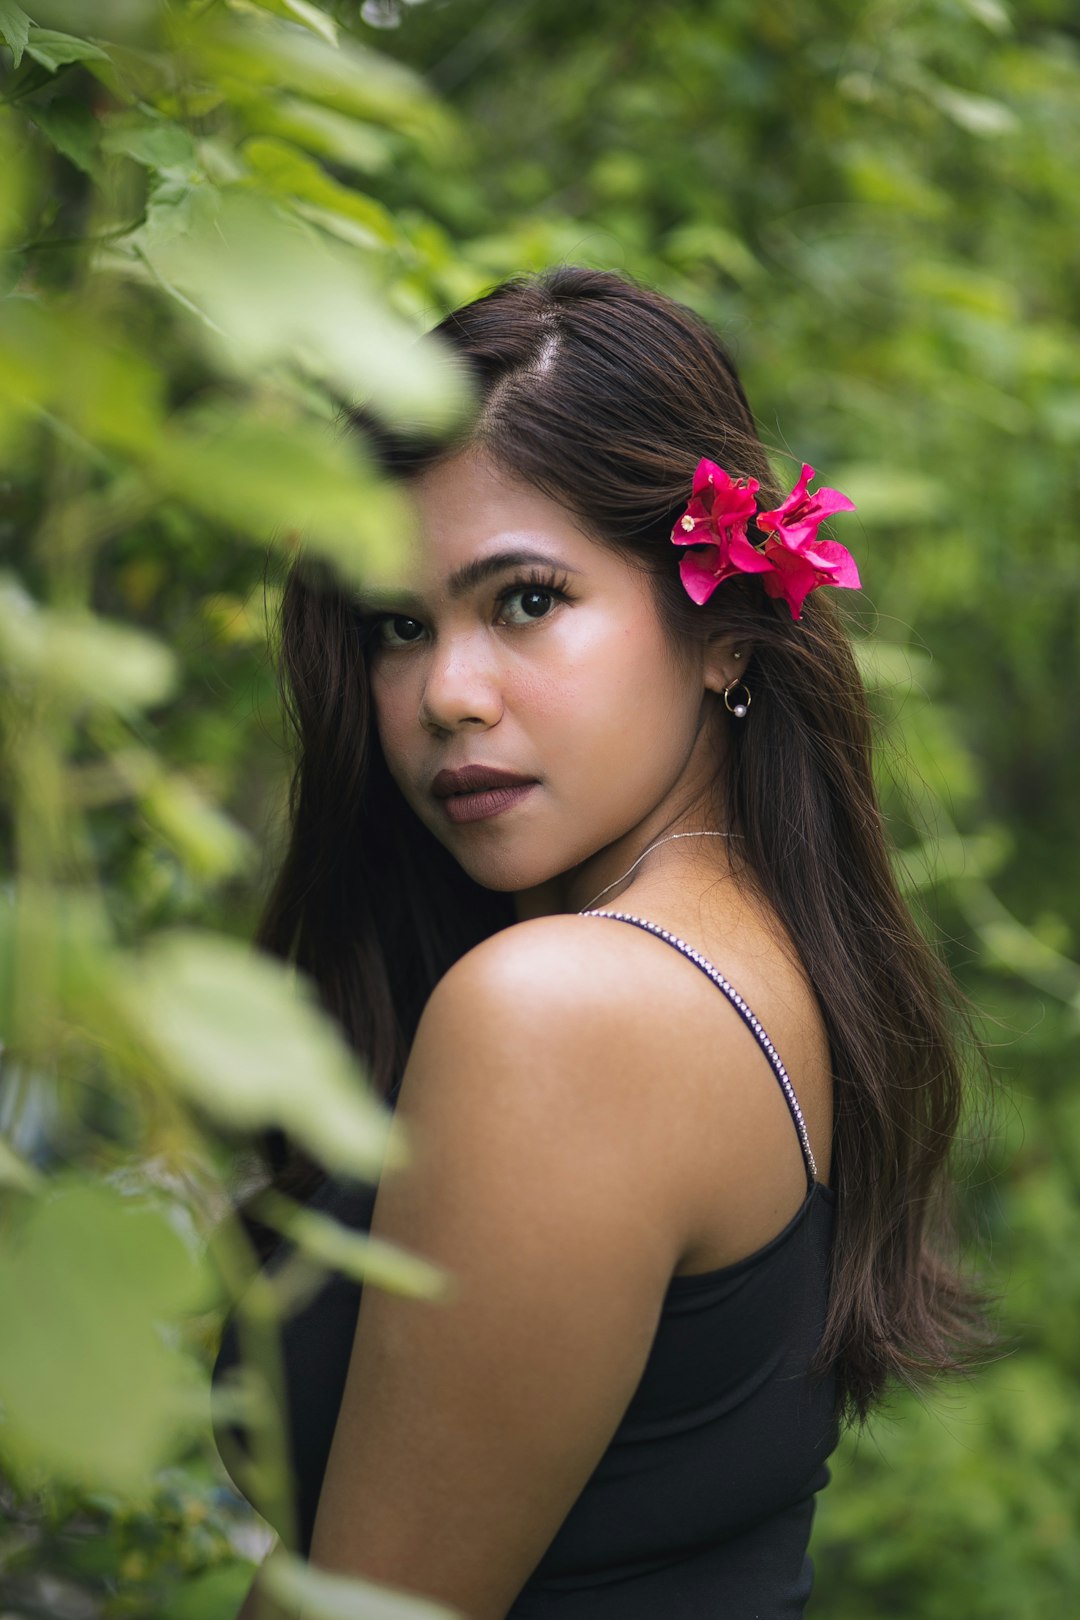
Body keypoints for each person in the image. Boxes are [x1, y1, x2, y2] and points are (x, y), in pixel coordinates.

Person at [211, 265, 989, 1619]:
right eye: (400, 627)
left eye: (522, 600)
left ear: (723, 633)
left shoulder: (566, 1010)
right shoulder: (755, 969)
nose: (445, 696)